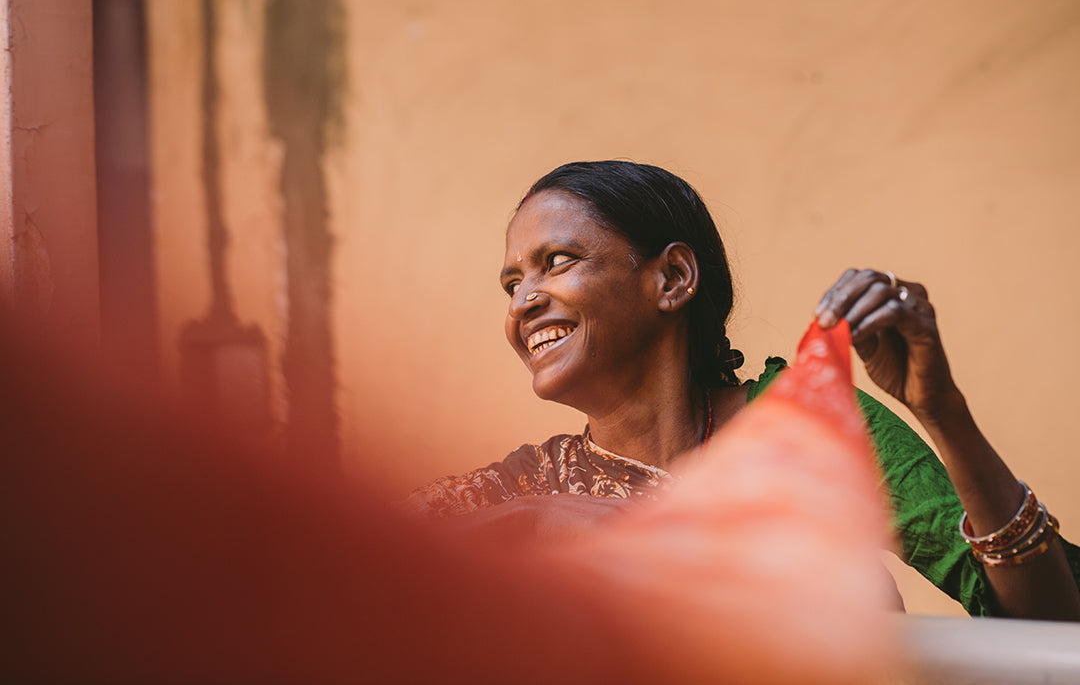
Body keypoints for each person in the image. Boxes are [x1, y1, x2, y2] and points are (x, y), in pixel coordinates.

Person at [406, 159, 1080, 622]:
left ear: (672, 277)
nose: (524, 300)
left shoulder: (812, 425)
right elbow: (352, 564)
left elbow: (1053, 622)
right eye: (510, 283)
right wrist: (552, 521)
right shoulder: (526, 488)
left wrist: (943, 411)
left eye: (556, 261)